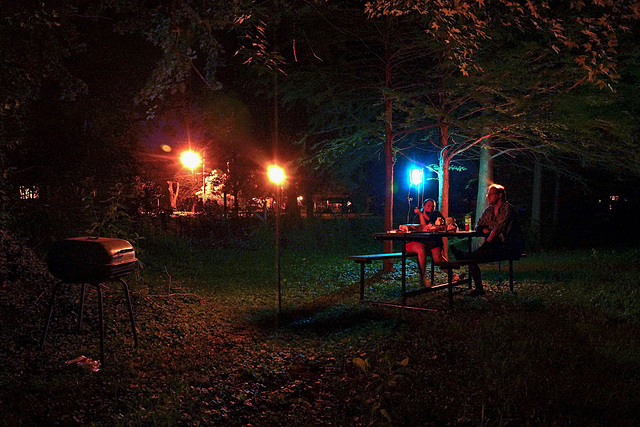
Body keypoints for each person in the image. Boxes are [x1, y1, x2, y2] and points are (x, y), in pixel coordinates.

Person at [451, 184, 525, 296]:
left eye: (491, 195)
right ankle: (478, 288)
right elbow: (478, 225)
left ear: (499, 195)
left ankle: (465, 257)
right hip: (496, 245)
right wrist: (483, 228)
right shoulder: (489, 210)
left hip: (510, 245)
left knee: (472, 256)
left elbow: (498, 229)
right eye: (488, 195)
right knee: (472, 258)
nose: (488, 197)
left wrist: (487, 243)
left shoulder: (507, 208)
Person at [399, 199, 460, 288]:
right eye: (428, 206)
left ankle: (453, 275)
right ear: (423, 206)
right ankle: (423, 278)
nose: (430, 208)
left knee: (438, 258)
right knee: (421, 250)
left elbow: (443, 226)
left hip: (433, 241)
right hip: (420, 241)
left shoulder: (436, 215)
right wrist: (420, 215)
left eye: (433, 206)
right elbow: (421, 228)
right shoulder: (417, 217)